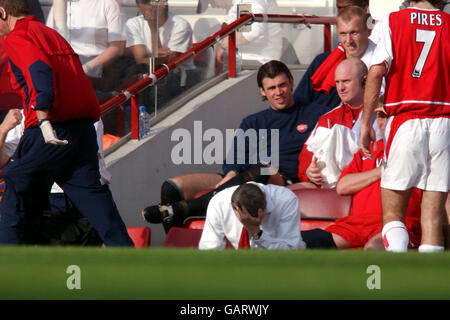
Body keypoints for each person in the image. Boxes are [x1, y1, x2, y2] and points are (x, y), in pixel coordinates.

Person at [0, 0, 133, 246]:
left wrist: (43, 117)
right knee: (99, 205)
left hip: (50, 128)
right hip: (81, 132)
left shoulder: (18, 36)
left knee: (15, 193)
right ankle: (133, 265)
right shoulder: (51, 34)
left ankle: (7, 271)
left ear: (2, 12)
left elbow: (39, 70)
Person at [142, 60, 330, 232]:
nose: (278, 92)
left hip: (281, 178)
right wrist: (231, 173)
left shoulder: (314, 114)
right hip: (244, 177)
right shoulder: (252, 122)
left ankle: (184, 209)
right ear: (262, 92)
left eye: (282, 85)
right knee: (172, 187)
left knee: (264, 168)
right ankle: (175, 252)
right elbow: (235, 160)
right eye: (271, 88)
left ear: (291, 82)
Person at [360, 0, 449, 253]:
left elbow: (376, 72)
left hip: (406, 120)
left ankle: (395, 278)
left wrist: (366, 124)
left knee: (392, 216)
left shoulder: (393, 21)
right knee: (432, 218)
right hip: (444, 122)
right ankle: (430, 287)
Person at [301, 110, 422, 250]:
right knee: (306, 241)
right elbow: (342, 186)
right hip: (356, 225)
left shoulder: (419, 151)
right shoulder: (367, 151)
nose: (384, 122)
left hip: (397, 224)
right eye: (381, 117)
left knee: (374, 248)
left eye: (389, 117)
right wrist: (381, 171)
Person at [297, 58, 378, 188]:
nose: (340, 88)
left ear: (365, 81)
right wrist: (309, 172)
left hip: (369, 184)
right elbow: (306, 157)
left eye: (346, 81)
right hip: (331, 192)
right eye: (337, 82)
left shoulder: (381, 115)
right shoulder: (328, 119)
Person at [293, 5, 376, 121]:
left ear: (368, 31)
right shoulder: (322, 62)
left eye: (354, 33)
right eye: (343, 34)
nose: (348, 41)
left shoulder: (382, 63)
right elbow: (299, 102)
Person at [124, 0, 198, 108]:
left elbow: (165, 64)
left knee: (158, 86)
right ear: (138, 6)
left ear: (164, 3)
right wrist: (155, 58)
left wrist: (153, 28)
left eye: (155, 1)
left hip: (179, 77)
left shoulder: (180, 25)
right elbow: (140, 59)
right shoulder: (133, 24)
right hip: (147, 74)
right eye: (146, 2)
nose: (151, 6)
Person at [46, 0, 126, 99]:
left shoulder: (107, 4)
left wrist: (86, 68)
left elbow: (118, 47)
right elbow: (49, 40)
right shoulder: (59, 5)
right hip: (66, 66)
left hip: (98, 69)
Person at [199, 182, 306, 250]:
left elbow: (290, 251)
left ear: (265, 197)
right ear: (235, 209)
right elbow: (209, 249)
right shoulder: (219, 203)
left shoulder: (286, 200)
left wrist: (256, 232)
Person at [197, 0, 282, 65]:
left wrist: (223, 45)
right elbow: (230, 28)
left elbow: (249, 34)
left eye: (211, 1)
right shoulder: (239, 4)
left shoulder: (247, 1)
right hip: (251, 62)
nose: (213, 6)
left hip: (256, 63)